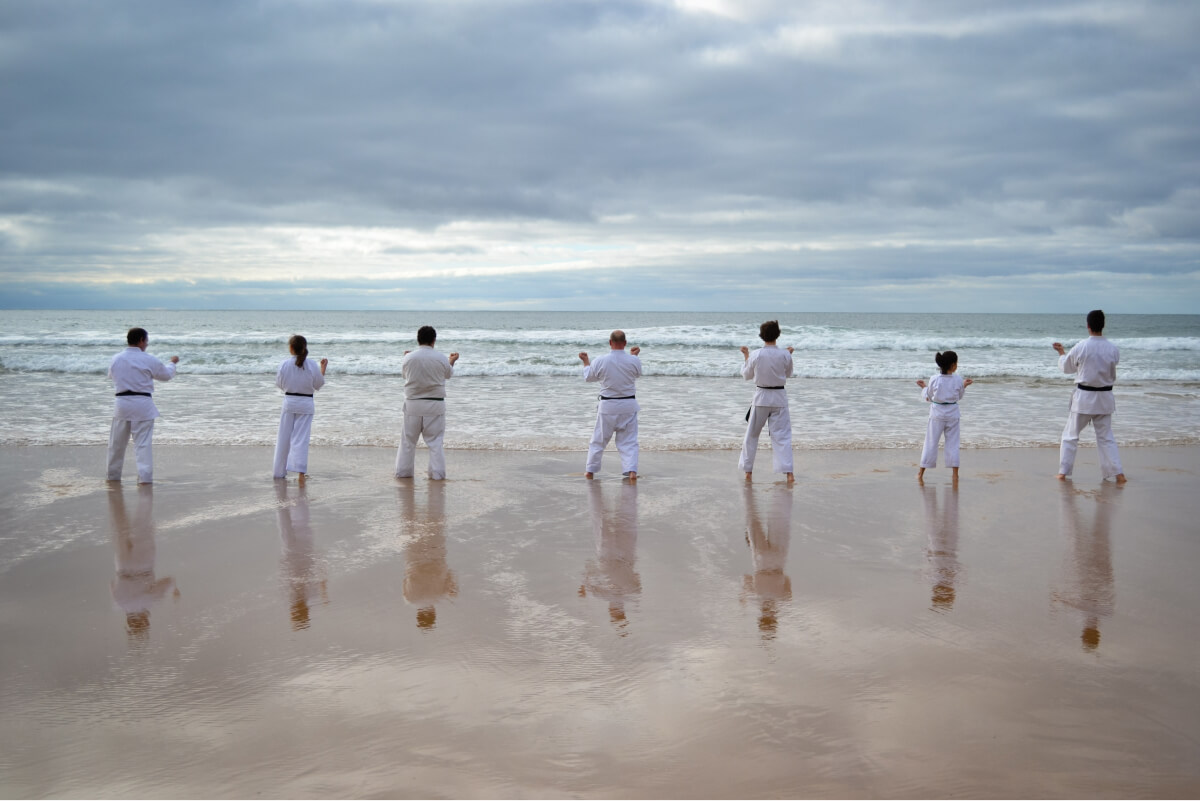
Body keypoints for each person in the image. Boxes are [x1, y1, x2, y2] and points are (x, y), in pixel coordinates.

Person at [1053, 310, 1127, 483]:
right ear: (1103, 325)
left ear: (1088, 326)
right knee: (1106, 438)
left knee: (1070, 436)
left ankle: (1063, 473)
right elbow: (1112, 368)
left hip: (1084, 399)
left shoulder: (1082, 346)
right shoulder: (1112, 348)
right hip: (1105, 398)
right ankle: (1119, 474)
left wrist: (1061, 353)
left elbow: (1067, 368)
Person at [106, 327, 179, 484]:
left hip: (122, 403)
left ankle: (112, 477)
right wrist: (172, 363)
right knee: (143, 445)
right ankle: (144, 479)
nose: (147, 344)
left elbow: (112, 376)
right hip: (142, 404)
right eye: (146, 340)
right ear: (141, 340)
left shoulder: (116, 358)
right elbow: (166, 375)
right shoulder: (148, 359)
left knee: (116, 445)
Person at [395, 325, 459, 480]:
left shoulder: (409, 358)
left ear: (418, 340)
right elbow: (448, 374)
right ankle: (437, 476)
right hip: (435, 404)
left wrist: (406, 357)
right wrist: (451, 360)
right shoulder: (441, 358)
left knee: (408, 442)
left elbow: (406, 375)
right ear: (433, 340)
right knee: (435, 443)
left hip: (413, 404)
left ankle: (403, 474)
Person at [579, 330, 642, 481]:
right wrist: (634, 357)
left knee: (598, 441)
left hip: (607, 406)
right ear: (625, 343)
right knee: (629, 442)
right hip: (628, 405)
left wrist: (586, 361)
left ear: (610, 342)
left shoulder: (601, 360)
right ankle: (631, 471)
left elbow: (589, 377)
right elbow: (636, 374)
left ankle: (590, 471)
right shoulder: (634, 360)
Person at [739, 320, 795, 483]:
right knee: (782, 436)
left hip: (761, 397)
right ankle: (789, 473)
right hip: (779, 398)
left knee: (752, 435)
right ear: (777, 335)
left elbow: (746, 375)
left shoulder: (756, 354)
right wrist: (788, 355)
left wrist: (746, 355)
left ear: (761, 336)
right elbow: (788, 373)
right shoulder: (784, 354)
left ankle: (748, 471)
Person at [273, 334, 328, 482]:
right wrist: (323, 369)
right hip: (306, 403)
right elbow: (318, 385)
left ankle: (279, 473)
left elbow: (279, 384)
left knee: (283, 438)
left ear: (291, 348)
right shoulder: (311, 365)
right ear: (305, 347)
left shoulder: (285, 364)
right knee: (301, 439)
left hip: (289, 402)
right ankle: (300, 474)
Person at [916, 351, 973, 484]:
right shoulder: (958, 379)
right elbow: (958, 396)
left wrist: (924, 387)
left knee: (930, 442)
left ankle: (921, 473)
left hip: (937, 414)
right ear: (953, 365)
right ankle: (955, 475)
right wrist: (964, 385)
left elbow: (929, 397)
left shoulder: (934, 379)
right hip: (953, 413)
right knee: (953, 444)